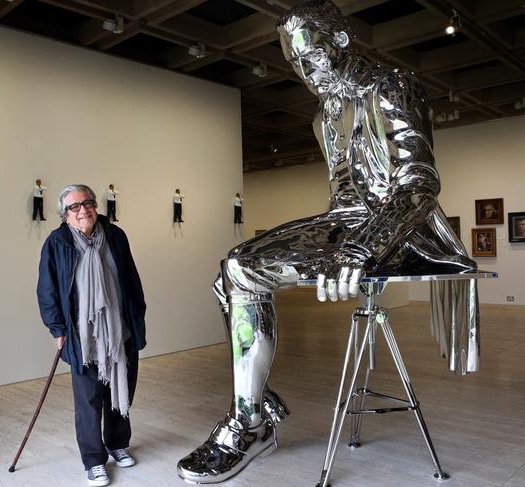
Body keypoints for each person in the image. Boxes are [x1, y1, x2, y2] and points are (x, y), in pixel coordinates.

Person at [177, 1, 477, 483]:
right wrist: (337, 239)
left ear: (339, 41)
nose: (305, 70)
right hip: (350, 222)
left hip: (401, 229)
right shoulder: (324, 116)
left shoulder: (391, 85)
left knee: (240, 271)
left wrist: (362, 247)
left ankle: (248, 420)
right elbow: (343, 202)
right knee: (235, 265)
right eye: (295, 62)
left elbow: (418, 184)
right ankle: (251, 407)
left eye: (312, 55)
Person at [37, 184, 146, 487]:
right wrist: (57, 328)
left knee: (121, 391)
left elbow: (131, 280)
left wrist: (137, 317)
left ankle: (117, 443)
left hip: (118, 331)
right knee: (88, 401)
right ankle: (94, 461)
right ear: (65, 215)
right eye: (74, 207)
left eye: (87, 203)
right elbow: (47, 290)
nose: (82, 210)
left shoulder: (115, 237)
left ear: (96, 206)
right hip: (82, 336)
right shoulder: (57, 243)